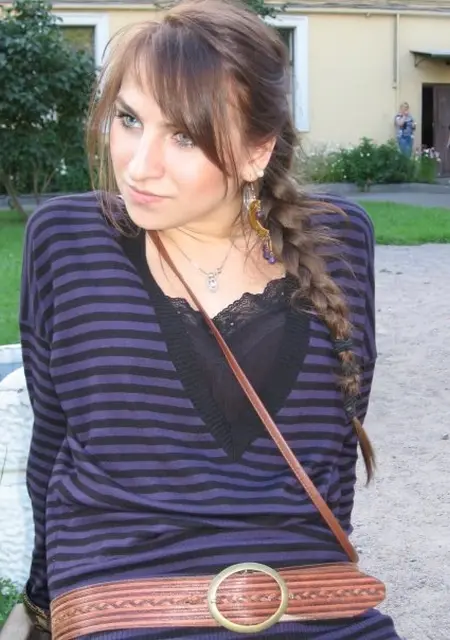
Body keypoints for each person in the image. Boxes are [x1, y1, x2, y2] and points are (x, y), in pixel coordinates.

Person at [19, 0, 403, 638]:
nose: (139, 165)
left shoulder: (339, 240)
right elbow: (54, 440)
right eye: (129, 120)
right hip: (127, 609)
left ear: (258, 152)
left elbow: (332, 455)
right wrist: (43, 604)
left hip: (306, 609)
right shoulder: (68, 239)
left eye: (184, 136)